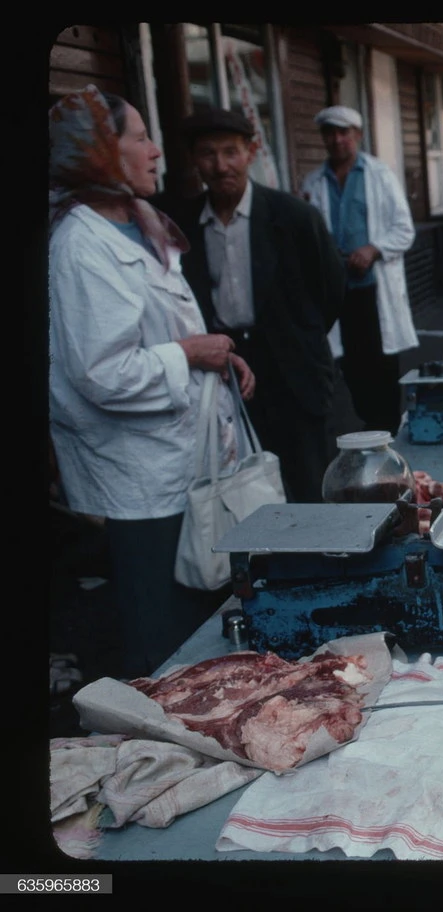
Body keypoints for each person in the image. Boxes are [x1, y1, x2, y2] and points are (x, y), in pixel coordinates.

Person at [48, 87, 257, 678]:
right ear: (95, 153)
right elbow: (102, 373)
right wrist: (190, 354)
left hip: (187, 463)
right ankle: (170, 748)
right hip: (143, 480)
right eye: (138, 137)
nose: (156, 150)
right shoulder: (80, 245)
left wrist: (214, 358)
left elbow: (163, 330)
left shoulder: (137, 224)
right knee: (163, 637)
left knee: (203, 618)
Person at [159, 105, 346, 504]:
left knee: (309, 482)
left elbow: (331, 291)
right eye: (208, 154)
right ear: (195, 160)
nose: (221, 165)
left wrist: (300, 337)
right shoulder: (179, 221)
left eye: (231, 152)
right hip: (223, 365)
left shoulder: (294, 217)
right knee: (238, 487)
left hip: (292, 367)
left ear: (251, 151)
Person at [299, 105, 417, 435]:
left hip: (373, 287)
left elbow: (404, 229)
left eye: (344, 133)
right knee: (351, 365)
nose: (337, 140)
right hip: (336, 289)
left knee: (380, 363)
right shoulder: (313, 181)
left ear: (358, 136)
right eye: (330, 134)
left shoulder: (380, 175)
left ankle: (389, 430)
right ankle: (370, 425)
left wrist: (373, 249)